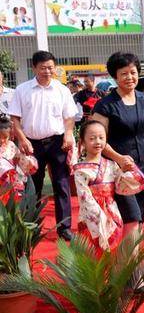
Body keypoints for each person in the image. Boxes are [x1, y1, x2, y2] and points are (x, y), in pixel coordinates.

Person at [92, 52, 144, 237]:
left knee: (140, 218)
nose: (129, 77)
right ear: (115, 76)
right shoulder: (105, 105)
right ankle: (131, 266)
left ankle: (130, 263)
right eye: (124, 73)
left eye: (133, 72)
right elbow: (98, 141)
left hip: (143, 169)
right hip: (119, 171)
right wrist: (119, 158)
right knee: (132, 219)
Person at [8, 51, 77, 241]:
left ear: (55, 68)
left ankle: (64, 227)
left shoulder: (61, 90)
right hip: (32, 145)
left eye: (50, 67)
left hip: (57, 142)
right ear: (34, 68)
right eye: (43, 68)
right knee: (33, 186)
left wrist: (69, 134)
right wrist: (22, 138)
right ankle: (32, 226)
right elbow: (14, 117)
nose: (47, 71)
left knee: (62, 184)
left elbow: (69, 116)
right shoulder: (22, 90)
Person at [73, 120, 144, 252]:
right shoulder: (80, 170)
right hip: (91, 216)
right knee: (93, 251)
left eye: (101, 137)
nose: (97, 141)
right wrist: (100, 218)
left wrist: (128, 170)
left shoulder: (111, 165)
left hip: (113, 213)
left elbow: (122, 186)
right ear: (83, 142)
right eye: (92, 138)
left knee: (114, 251)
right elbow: (85, 199)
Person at [0, 114, 37, 203]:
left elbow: (21, 161)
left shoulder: (12, 146)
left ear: (10, 135)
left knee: (13, 204)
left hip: (12, 182)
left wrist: (25, 161)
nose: (2, 140)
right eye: (0, 137)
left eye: (5, 138)